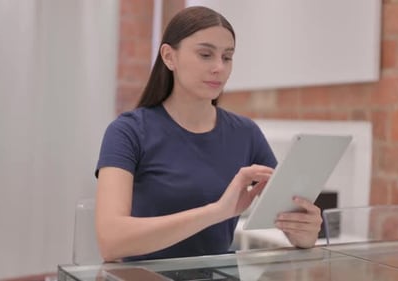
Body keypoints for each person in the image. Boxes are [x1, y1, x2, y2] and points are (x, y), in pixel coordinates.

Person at [94, 6, 322, 262]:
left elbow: (289, 216)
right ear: (169, 57)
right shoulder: (128, 131)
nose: (219, 67)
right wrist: (216, 212)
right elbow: (111, 241)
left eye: (227, 57)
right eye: (205, 54)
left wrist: (305, 233)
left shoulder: (246, 133)